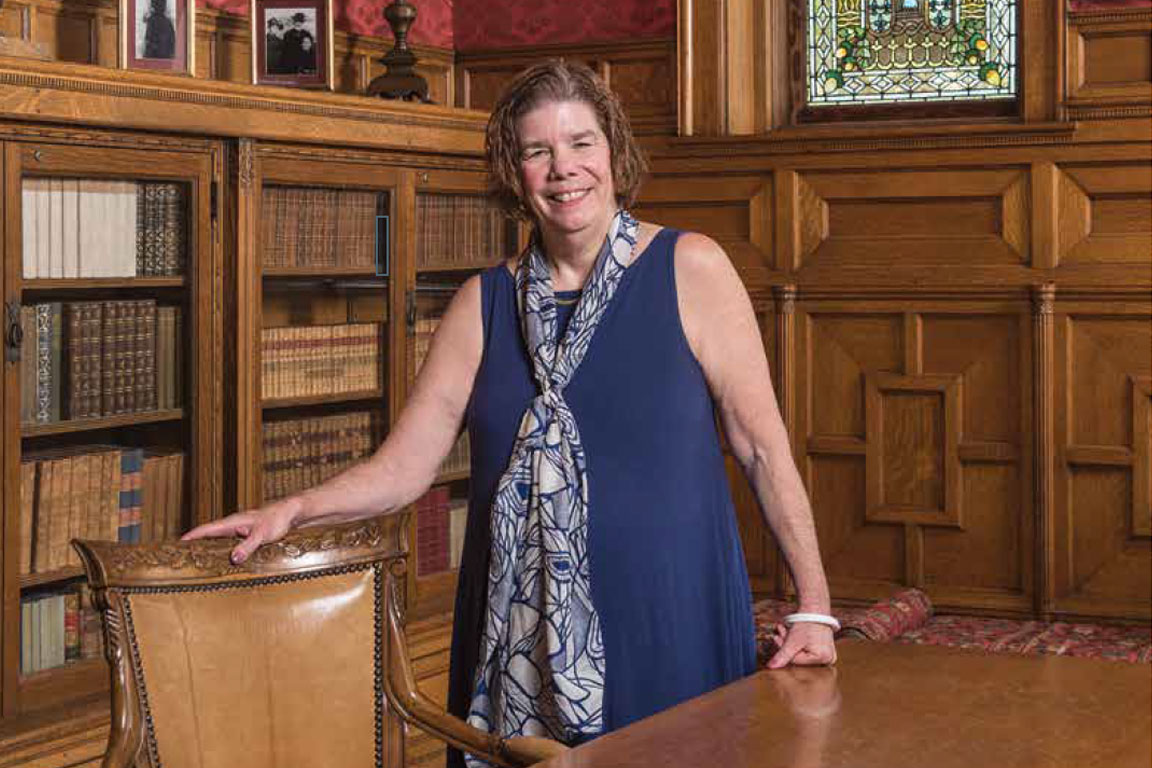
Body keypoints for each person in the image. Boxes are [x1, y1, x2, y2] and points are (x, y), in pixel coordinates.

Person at [183, 60, 836, 766]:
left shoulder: (692, 267)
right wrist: (294, 510)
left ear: (614, 151)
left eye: (582, 144)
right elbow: (404, 470)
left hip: (670, 617)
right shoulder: (481, 304)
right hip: (515, 641)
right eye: (538, 151)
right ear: (513, 169)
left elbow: (763, 448)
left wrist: (813, 604)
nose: (564, 169)